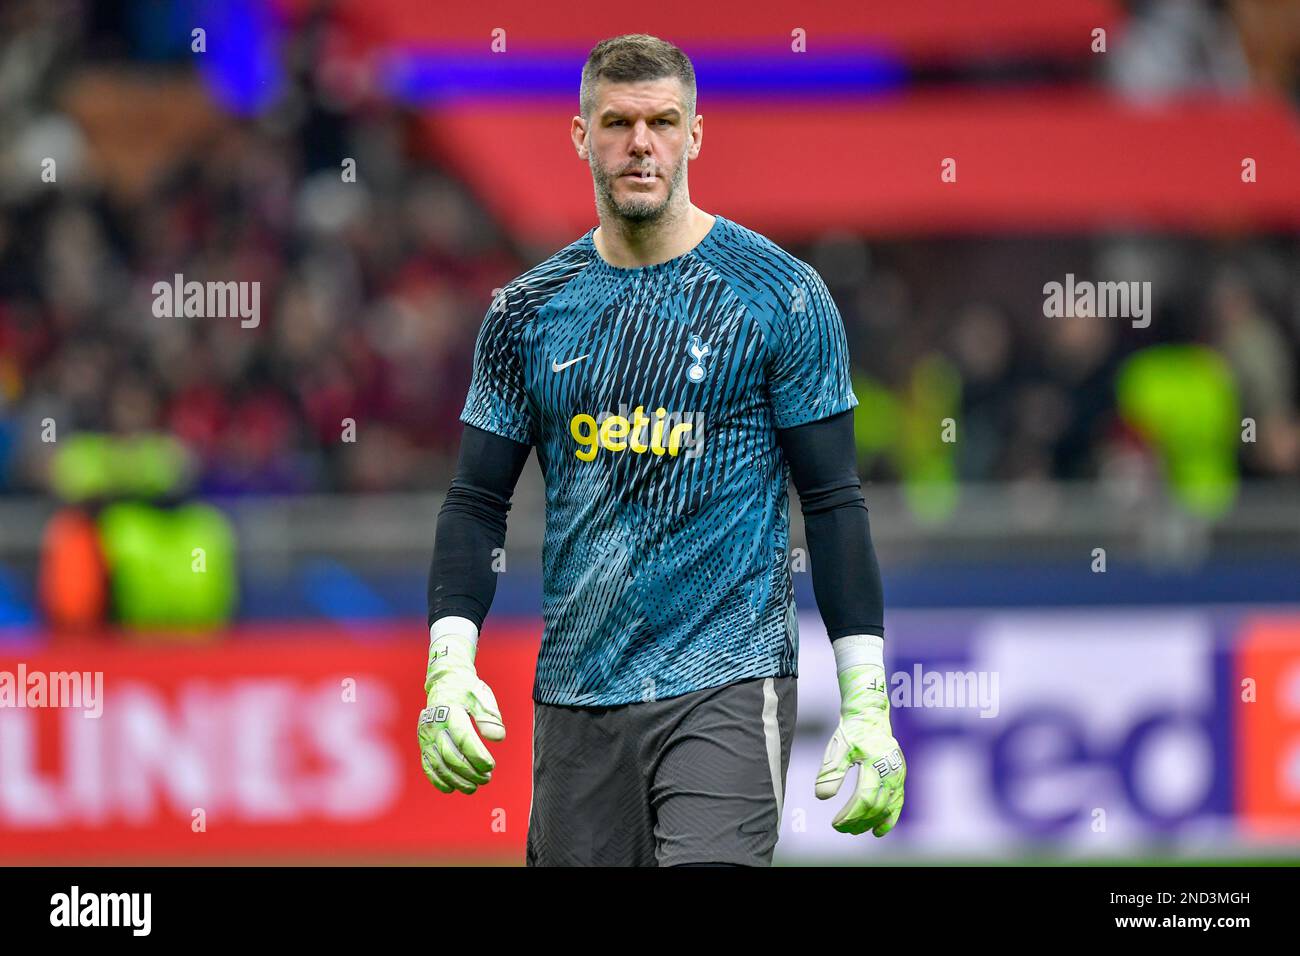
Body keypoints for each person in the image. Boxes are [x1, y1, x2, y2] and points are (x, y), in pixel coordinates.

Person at [419, 33, 904, 867]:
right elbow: (475, 501)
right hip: (577, 694)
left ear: (695, 134)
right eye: (616, 122)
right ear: (580, 137)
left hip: (729, 675)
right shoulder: (526, 313)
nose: (640, 143)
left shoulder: (780, 295)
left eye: (662, 121)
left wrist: (865, 695)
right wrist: (448, 662)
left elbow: (831, 501)